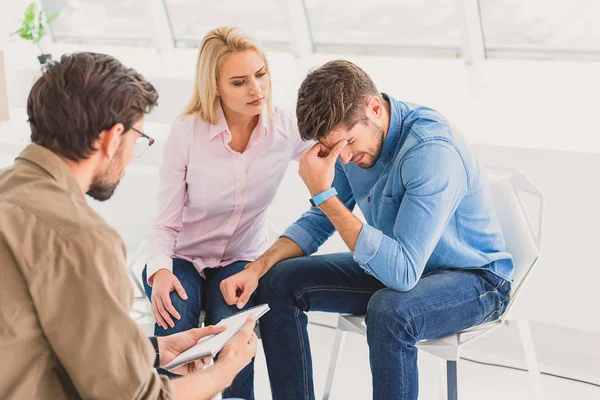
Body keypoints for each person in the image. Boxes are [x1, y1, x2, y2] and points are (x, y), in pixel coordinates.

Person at [220, 60, 515, 400]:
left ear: (374, 108)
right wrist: (256, 269)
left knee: (390, 311)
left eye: (347, 143)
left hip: (474, 279)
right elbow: (319, 220)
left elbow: (402, 273)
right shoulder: (350, 148)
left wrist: (324, 195)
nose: (342, 160)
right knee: (278, 281)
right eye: (333, 150)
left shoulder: (431, 151)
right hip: (397, 263)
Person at [0, 52, 257, 400]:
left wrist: (151, 349)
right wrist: (226, 369)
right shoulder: (78, 238)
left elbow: (31, 337)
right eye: (138, 138)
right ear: (111, 138)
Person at [141, 27, 312, 399]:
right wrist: (159, 271)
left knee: (233, 330)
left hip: (241, 256)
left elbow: (333, 154)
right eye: (239, 82)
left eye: (260, 74)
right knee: (175, 316)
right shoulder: (187, 132)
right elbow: (165, 222)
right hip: (180, 255)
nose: (256, 90)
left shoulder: (286, 128)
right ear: (215, 86)